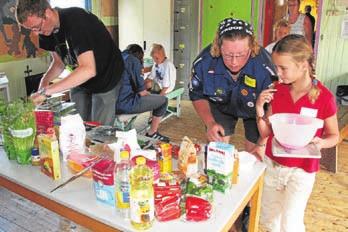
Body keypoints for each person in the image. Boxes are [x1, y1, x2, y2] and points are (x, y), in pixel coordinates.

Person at [256, 34, 339, 232]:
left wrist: (320, 143)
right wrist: (260, 108)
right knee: (269, 220)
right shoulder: (277, 90)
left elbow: (335, 136)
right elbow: (267, 133)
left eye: (283, 68)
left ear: (303, 65)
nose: (278, 73)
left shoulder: (324, 98)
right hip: (273, 165)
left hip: (302, 171)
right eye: (276, 67)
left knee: (290, 223)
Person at [16, 0, 124, 126]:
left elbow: (88, 69)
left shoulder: (76, 21)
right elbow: (59, 63)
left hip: (106, 76)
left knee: (98, 129)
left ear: (47, 13)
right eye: (31, 29)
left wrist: (47, 92)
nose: (35, 33)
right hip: (81, 78)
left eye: (36, 27)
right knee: (77, 123)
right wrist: (44, 83)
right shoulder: (46, 31)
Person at [189, 17, 276, 158]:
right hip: (221, 106)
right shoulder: (203, 63)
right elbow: (197, 95)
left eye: (241, 54)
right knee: (217, 153)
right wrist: (210, 123)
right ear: (218, 47)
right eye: (228, 55)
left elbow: (274, 104)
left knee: (254, 156)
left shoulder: (266, 67)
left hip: (257, 110)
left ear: (252, 48)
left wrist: (262, 143)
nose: (234, 62)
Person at [116, 44, 169, 142]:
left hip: (110, 103)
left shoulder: (118, 57)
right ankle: (152, 133)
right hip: (125, 104)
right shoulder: (134, 61)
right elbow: (142, 92)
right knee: (163, 100)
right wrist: (150, 95)